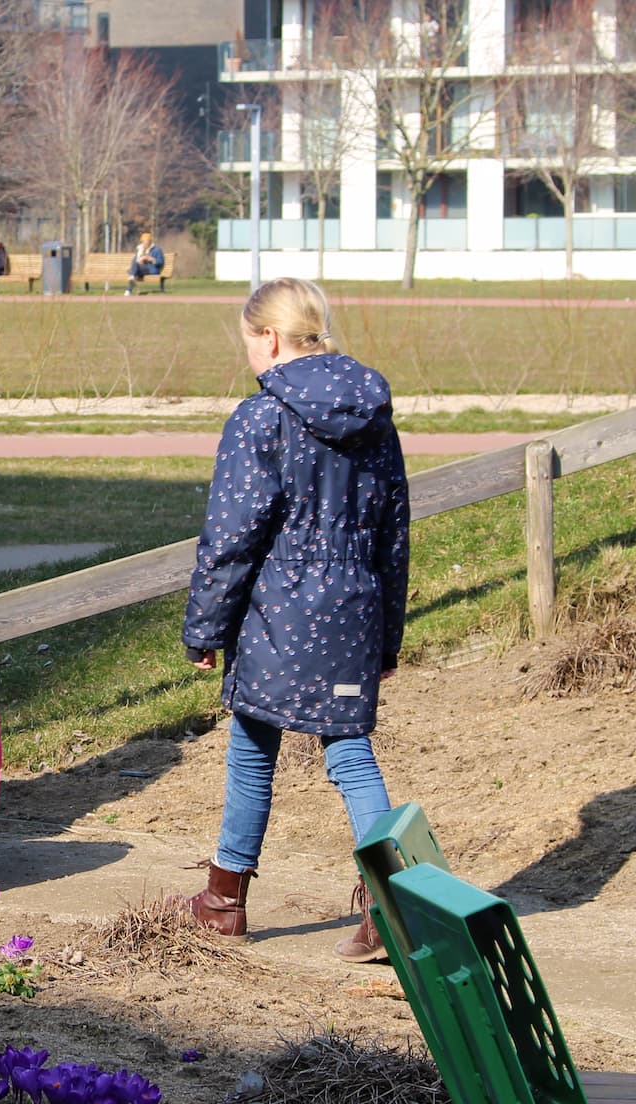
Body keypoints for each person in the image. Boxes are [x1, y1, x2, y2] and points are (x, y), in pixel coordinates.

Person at [172, 276, 411, 964]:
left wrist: (206, 628)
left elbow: (232, 536)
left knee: (252, 747)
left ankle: (224, 900)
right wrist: (387, 633)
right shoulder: (376, 417)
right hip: (355, 605)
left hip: (278, 611)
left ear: (269, 338)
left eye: (248, 340)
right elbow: (394, 535)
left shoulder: (260, 418)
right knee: (349, 752)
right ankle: (387, 907)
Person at [127, 232, 165, 296]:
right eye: (143, 241)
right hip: (141, 269)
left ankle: (129, 287)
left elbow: (160, 262)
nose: (144, 243)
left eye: (146, 241)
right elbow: (135, 261)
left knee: (133, 271)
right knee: (135, 265)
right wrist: (140, 260)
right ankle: (128, 290)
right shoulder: (140, 249)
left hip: (152, 269)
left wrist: (151, 259)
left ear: (150, 241)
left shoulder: (157, 250)